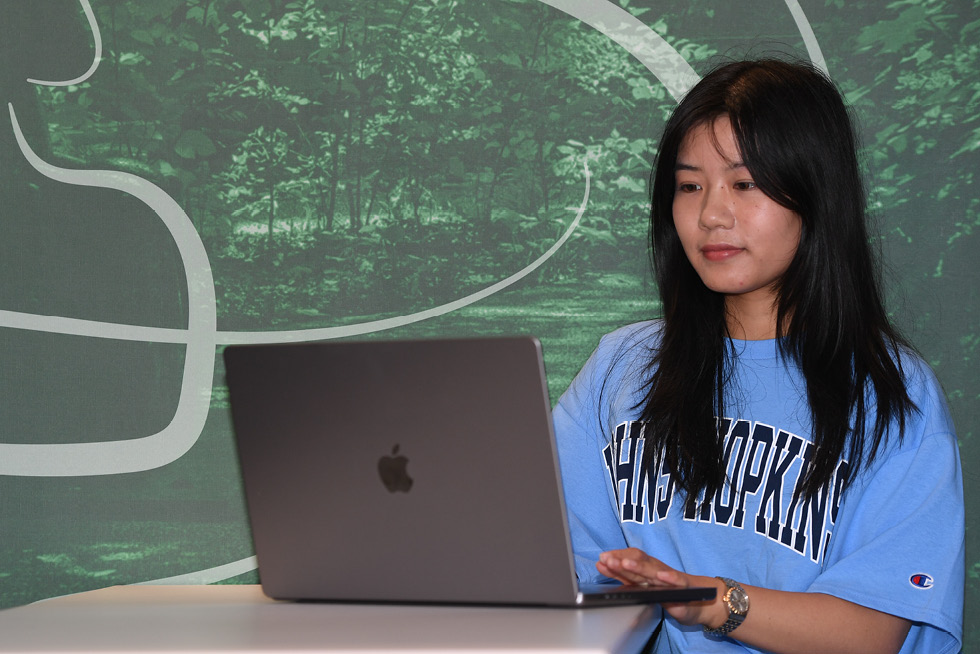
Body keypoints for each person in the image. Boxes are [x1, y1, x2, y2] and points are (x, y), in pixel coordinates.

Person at [553, 58, 964, 653]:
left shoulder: (893, 391)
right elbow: (561, 568)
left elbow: (871, 632)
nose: (712, 215)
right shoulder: (621, 368)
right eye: (690, 185)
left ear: (815, 196)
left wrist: (714, 601)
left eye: (744, 185)